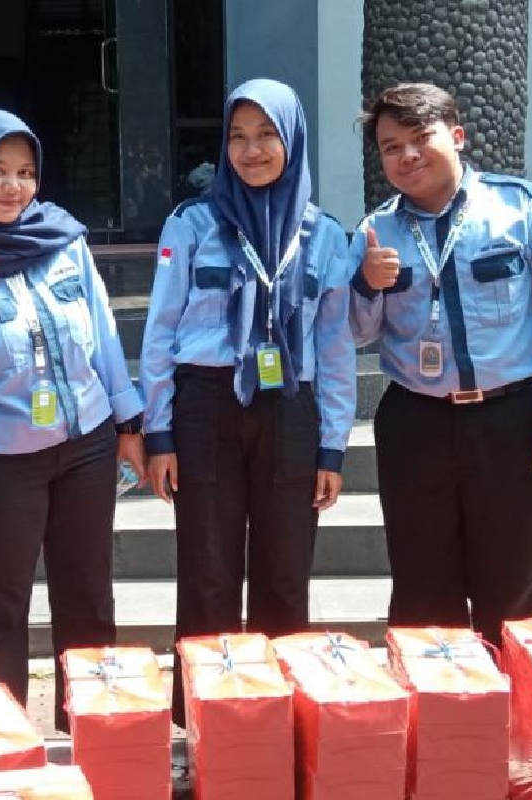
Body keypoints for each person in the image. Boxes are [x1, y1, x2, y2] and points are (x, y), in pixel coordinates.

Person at [0, 109, 146, 732]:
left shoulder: (63, 239)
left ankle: (96, 738)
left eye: (25, 172)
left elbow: (103, 336)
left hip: (86, 448)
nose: (13, 187)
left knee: (88, 597)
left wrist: (129, 425)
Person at [349, 83, 532, 647]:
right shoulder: (375, 232)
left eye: (420, 138)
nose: (407, 155)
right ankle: (436, 700)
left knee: (509, 583)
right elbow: (356, 332)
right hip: (416, 421)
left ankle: (508, 696)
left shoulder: (523, 209)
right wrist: (366, 283)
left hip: (511, 420)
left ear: (457, 136)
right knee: (420, 586)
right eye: (391, 147)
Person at [140, 78, 356, 726]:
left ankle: (277, 724)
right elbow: (160, 332)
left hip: (290, 408)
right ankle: (209, 726)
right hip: (205, 406)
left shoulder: (325, 235)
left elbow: (335, 347)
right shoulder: (191, 224)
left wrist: (333, 445)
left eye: (266, 135)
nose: (251, 150)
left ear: (292, 141)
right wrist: (158, 433)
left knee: (285, 573)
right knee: (207, 572)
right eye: (237, 136)